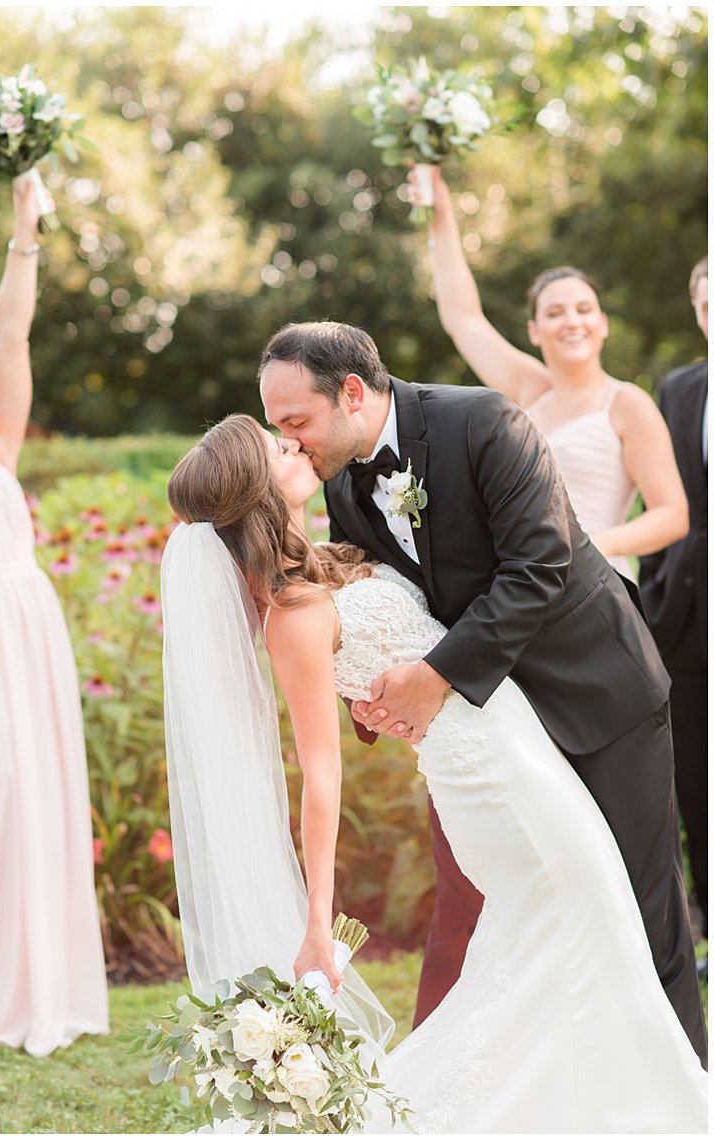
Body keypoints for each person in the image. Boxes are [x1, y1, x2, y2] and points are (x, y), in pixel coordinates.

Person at [161, 412, 707, 1130]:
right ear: (255, 489)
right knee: (585, 920)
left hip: (520, 753)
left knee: (572, 933)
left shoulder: (327, 556)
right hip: (490, 784)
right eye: (276, 447)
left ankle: (584, 1104)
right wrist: (316, 924)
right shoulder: (292, 614)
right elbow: (320, 773)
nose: (292, 442)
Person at [257, 320, 706, 1068]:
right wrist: (370, 700)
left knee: (638, 902)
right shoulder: (342, 479)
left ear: (353, 392)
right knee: (539, 916)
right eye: (278, 429)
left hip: (600, 693)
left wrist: (435, 678)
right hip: (496, 723)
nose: (291, 440)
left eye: (295, 420)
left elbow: (539, 565)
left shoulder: (483, 421)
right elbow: (384, 596)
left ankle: (685, 1091)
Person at [0, 173, 108, 1056]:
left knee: (40, 791)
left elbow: (12, 329)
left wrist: (25, 229)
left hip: (29, 631)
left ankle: (41, 982)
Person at [420, 167, 687, 580]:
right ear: (535, 330)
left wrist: (596, 546)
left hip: (592, 578)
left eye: (583, 310)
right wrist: (440, 214)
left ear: (603, 323)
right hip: (521, 576)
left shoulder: (626, 402)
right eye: (555, 312)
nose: (571, 322)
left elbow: (672, 515)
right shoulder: (531, 389)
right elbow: (463, 318)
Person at [640, 256, 710, 939]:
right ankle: (709, 924)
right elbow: (664, 495)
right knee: (695, 783)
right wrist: (657, 589)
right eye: (707, 303)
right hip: (687, 620)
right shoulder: (680, 389)